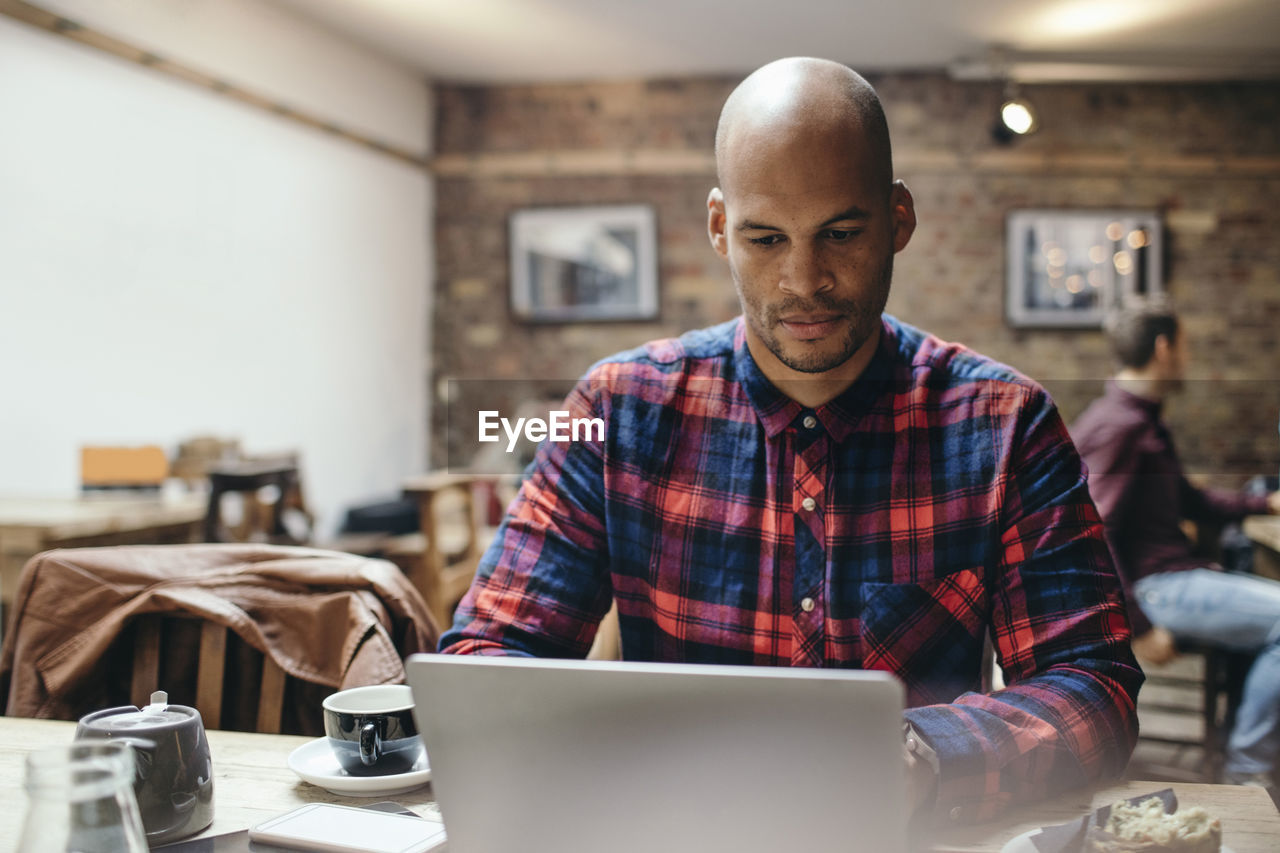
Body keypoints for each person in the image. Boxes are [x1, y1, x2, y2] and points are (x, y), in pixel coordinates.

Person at [441, 57, 1141, 825]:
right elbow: (487, 662)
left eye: (840, 233)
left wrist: (928, 754)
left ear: (898, 220)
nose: (804, 280)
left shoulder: (1006, 425)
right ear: (719, 229)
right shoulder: (617, 411)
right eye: (766, 238)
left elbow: (1093, 681)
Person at [1070, 304, 1280, 791]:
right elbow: (1090, 531)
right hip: (1158, 588)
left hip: (1174, 577)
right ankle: (1248, 771)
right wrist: (1135, 626)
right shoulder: (1120, 426)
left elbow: (1190, 499)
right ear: (1163, 348)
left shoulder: (1140, 421)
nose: (1187, 357)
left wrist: (1264, 502)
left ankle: (1239, 746)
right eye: (1184, 346)